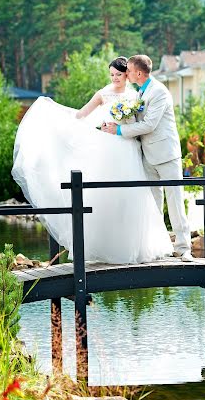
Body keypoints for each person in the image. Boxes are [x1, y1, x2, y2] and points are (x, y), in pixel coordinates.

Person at [11, 56, 173, 264]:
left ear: (127, 75)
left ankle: (134, 249)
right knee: (104, 197)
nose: (115, 78)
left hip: (129, 149)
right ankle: (104, 249)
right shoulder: (103, 94)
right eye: (112, 74)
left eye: (119, 74)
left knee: (131, 197)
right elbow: (81, 115)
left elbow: (141, 123)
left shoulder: (136, 95)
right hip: (107, 150)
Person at [102, 55, 192, 261]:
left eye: (129, 70)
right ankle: (160, 246)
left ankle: (184, 248)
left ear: (139, 73)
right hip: (147, 155)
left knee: (175, 201)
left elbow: (149, 124)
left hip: (166, 154)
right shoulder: (139, 92)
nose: (126, 73)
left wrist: (118, 130)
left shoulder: (159, 92)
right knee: (153, 204)